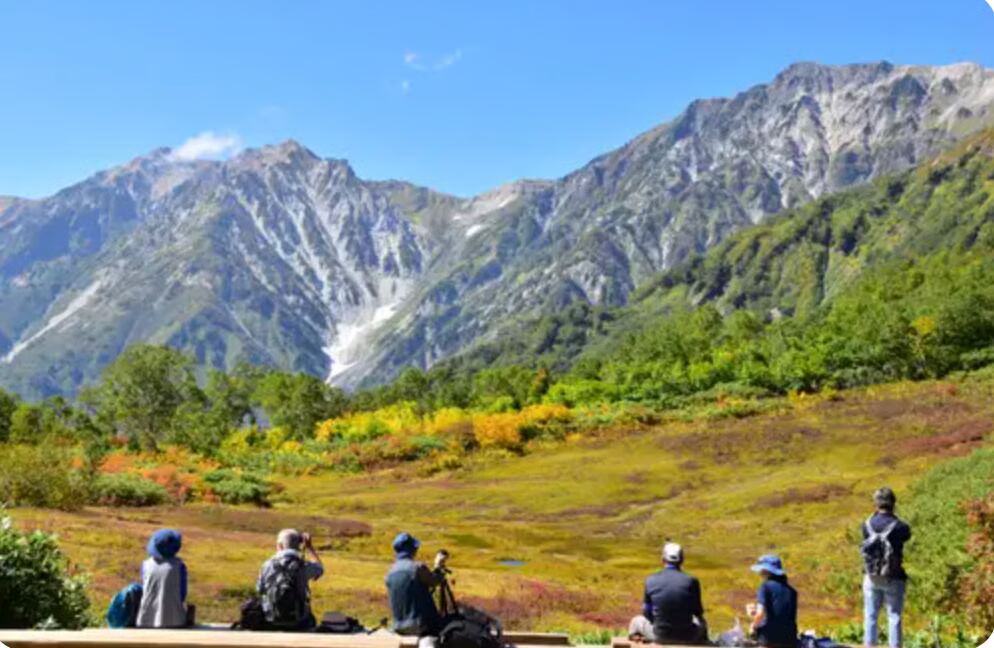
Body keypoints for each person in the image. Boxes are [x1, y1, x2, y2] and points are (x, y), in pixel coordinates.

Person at [628, 542, 708, 645]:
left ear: (663, 559)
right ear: (682, 560)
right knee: (702, 623)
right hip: (687, 637)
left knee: (636, 621)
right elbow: (698, 612)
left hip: (659, 635)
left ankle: (638, 639)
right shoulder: (692, 581)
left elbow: (646, 612)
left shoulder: (650, 580)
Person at [861, 487, 911, 648]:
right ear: (893, 503)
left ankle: (870, 645)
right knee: (894, 615)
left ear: (876, 504)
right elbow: (906, 536)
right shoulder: (900, 526)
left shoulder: (866, 525)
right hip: (893, 576)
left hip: (871, 575)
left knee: (870, 615)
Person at [385, 532, 448, 648]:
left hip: (399, 626)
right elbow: (435, 581)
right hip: (423, 624)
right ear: (411, 550)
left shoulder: (389, 573)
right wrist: (438, 567)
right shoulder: (417, 568)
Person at [257, 528, 325, 630]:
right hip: (299, 622)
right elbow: (320, 569)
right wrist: (309, 547)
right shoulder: (302, 565)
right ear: (298, 546)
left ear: (279, 545)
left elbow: (259, 589)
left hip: (271, 620)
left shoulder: (267, 565)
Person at [136, 529, 189, 628]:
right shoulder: (179, 567)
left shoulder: (146, 565)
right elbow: (182, 594)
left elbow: (145, 588)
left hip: (145, 619)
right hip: (175, 620)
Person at [746, 555, 798, 648]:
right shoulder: (792, 591)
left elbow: (760, 614)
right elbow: (782, 614)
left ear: (767, 571)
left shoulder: (765, 587)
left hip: (770, 638)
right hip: (790, 638)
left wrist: (752, 626)